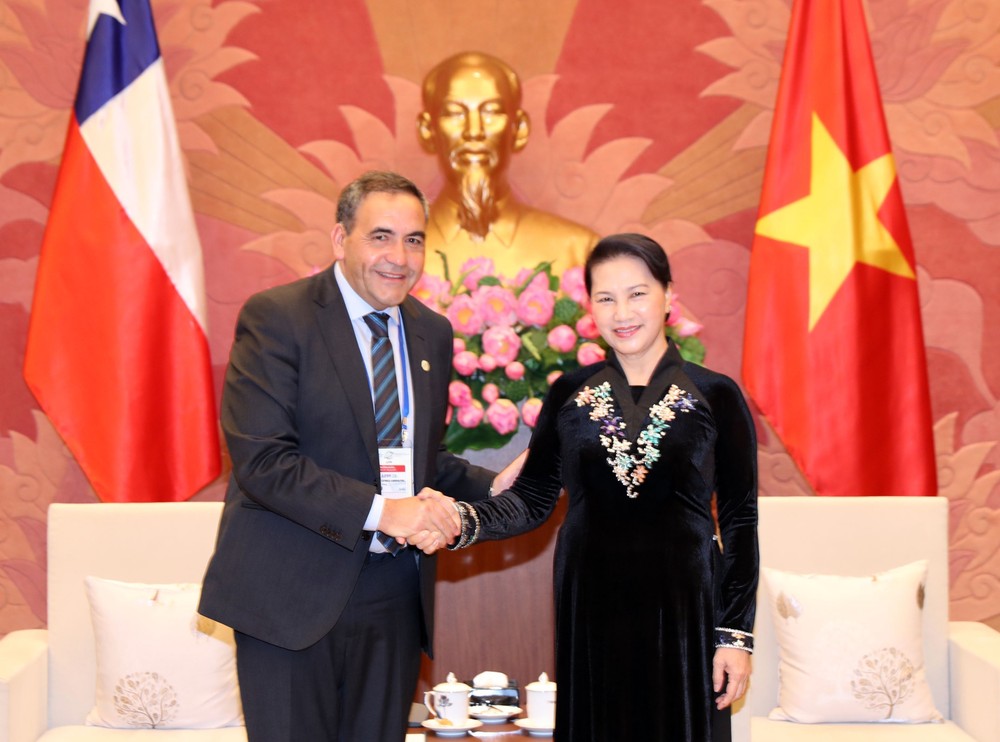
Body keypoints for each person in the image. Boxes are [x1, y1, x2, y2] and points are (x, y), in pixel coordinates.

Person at [198, 171, 519, 742]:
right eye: (381, 236)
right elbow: (263, 461)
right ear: (340, 239)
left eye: (414, 239)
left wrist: (497, 487)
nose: (399, 257)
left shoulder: (432, 333)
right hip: (290, 595)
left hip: (392, 595)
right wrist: (384, 511)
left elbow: (423, 461)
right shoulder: (278, 318)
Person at [444, 233, 759, 741]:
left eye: (637, 293)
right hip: (591, 604)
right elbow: (532, 498)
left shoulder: (716, 394)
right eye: (606, 298)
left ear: (668, 296)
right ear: (590, 307)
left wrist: (735, 636)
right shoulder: (568, 393)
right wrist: (461, 520)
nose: (622, 312)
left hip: (685, 609)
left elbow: (742, 518)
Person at [417, 51, 598, 279]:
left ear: (519, 129)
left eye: (491, 112)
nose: (474, 131)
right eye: (454, 113)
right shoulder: (393, 256)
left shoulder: (576, 252)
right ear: (427, 131)